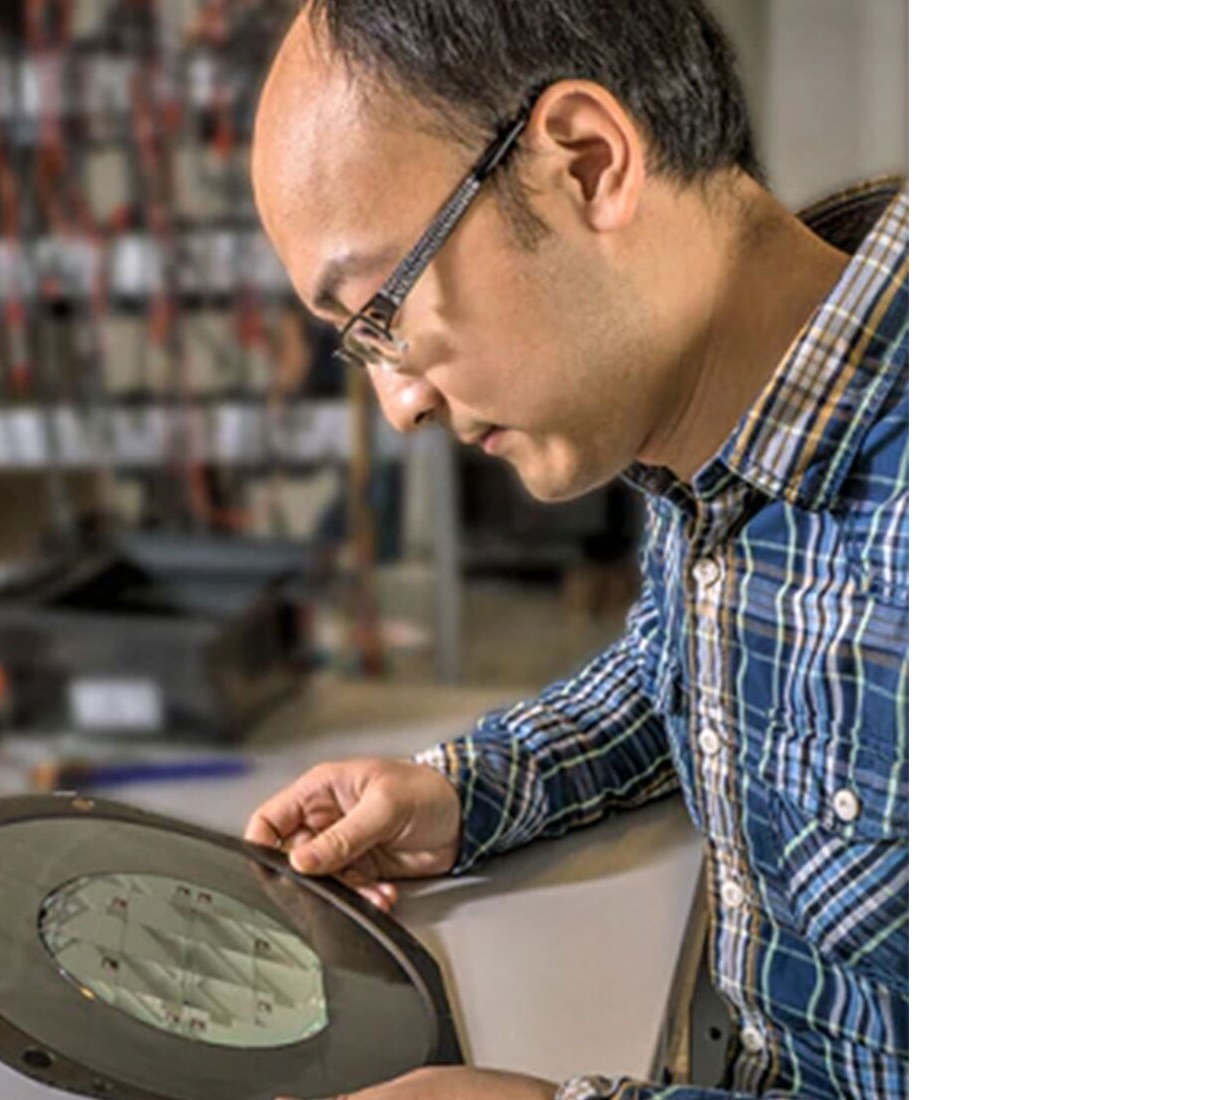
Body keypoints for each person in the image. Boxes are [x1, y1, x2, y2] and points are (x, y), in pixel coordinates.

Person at [245, 2, 908, 1097]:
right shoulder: (716, 437)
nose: (400, 405)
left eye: (383, 312)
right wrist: (467, 792)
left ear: (585, 164)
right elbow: (680, 672)